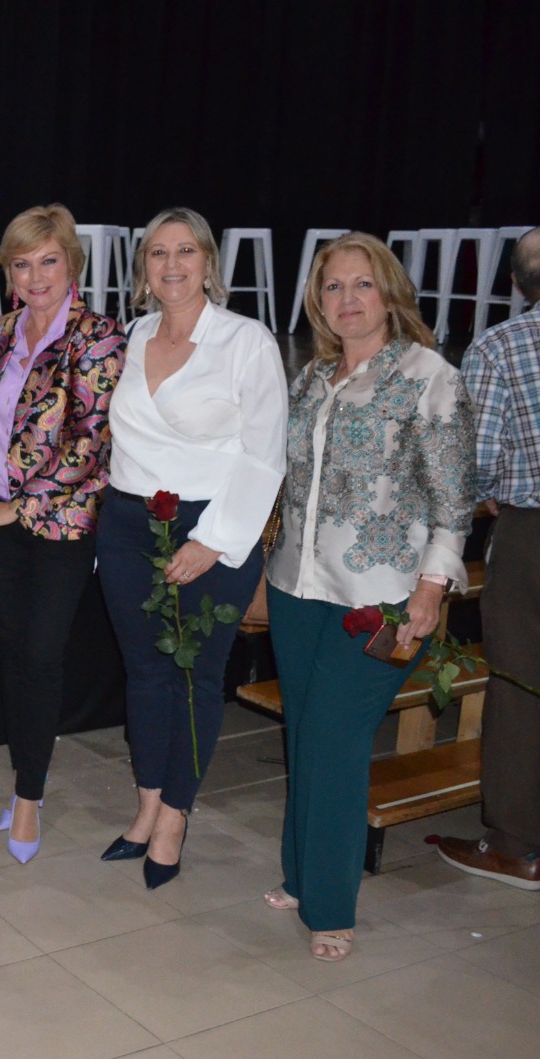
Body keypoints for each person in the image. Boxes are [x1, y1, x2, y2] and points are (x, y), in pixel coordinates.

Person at [264, 231, 475, 962]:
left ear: (389, 292)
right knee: (303, 734)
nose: (346, 299)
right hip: (297, 586)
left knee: (335, 738)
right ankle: (299, 875)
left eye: (361, 284)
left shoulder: (429, 377)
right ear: (316, 300)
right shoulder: (311, 377)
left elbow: (454, 496)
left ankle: (330, 905)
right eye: (332, 287)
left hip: (383, 597)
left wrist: (432, 586)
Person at [95, 208, 287, 888]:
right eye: (157, 253)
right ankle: (146, 807)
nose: (171, 265)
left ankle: (176, 816)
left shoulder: (245, 341)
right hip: (126, 525)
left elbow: (266, 456)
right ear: (143, 268)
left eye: (185, 252)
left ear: (208, 262)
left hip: (210, 527)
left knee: (196, 677)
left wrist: (213, 542)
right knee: (144, 672)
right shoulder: (136, 332)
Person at [0, 204, 126, 865]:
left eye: (48, 260)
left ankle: (30, 796)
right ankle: (24, 774)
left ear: (73, 264)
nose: (36, 275)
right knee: (12, 658)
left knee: (41, 656)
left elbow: (90, 442)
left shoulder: (100, 337)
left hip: (60, 526)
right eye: (22, 263)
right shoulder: (1, 332)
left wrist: (20, 507)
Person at [438, 225, 540, 891]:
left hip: (532, 536)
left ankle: (516, 844)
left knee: (522, 686)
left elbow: (471, 468)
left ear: (513, 282)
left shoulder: (501, 346)